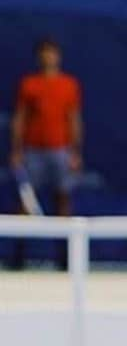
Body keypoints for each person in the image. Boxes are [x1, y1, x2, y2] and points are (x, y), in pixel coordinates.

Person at [10, 37, 84, 218]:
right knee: (26, 201)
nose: (48, 58)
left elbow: (74, 119)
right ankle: (20, 245)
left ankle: (67, 246)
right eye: (44, 53)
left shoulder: (69, 85)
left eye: (51, 53)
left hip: (62, 152)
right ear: (39, 57)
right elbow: (20, 118)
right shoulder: (28, 84)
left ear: (58, 56)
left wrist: (75, 152)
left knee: (63, 199)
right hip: (33, 153)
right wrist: (16, 151)